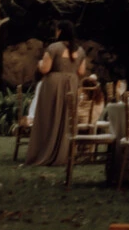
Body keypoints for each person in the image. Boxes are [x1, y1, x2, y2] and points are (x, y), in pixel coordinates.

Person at [22, 37, 83, 167]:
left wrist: (39, 64)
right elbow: (81, 71)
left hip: (54, 85)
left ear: (60, 31)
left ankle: (44, 152)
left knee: (48, 117)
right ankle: (65, 154)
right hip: (72, 83)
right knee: (67, 118)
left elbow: (45, 69)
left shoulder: (54, 47)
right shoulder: (80, 51)